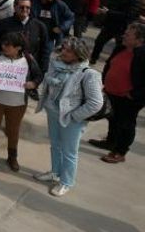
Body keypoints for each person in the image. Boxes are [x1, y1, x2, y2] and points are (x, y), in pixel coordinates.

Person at [34, 38, 103, 197]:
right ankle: (55, 172)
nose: (63, 52)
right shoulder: (56, 63)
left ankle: (66, 182)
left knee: (69, 152)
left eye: (68, 51)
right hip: (52, 112)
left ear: (78, 55)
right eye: (63, 48)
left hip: (71, 119)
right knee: (55, 145)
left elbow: (96, 102)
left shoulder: (88, 74)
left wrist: (74, 116)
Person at [0, 32, 42, 171]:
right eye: (3, 43)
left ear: (18, 47)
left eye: (8, 45)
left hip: (17, 103)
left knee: (13, 130)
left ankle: (12, 156)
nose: (4, 46)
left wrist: (33, 84)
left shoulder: (28, 59)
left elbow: (39, 76)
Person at [89, 23, 145, 164]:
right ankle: (110, 141)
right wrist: (104, 82)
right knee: (112, 119)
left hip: (129, 98)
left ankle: (120, 152)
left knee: (126, 124)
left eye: (128, 34)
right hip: (111, 92)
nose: (124, 35)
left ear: (140, 40)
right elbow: (109, 65)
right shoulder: (120, 48)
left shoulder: (142, 55)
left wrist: (134, 94)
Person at [90, 0, 140, 65]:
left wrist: (109, 12)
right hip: (109, 25)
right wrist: (103, 12)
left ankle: (111, 62)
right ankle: (93, 58)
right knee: (99, 42)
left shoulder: (134, 0)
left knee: (119, 47)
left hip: (122, 28)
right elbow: (110, 7)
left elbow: (128, 15)